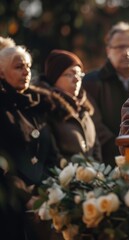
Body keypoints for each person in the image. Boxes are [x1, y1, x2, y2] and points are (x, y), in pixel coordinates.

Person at [0, 45, 60, 240]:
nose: (26, 71)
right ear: (1, 72)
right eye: (19, 67)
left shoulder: (37, 105)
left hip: (44, 202)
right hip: (11, 207)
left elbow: (51, 154)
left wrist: (46, 191)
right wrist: (26, 196)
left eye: (28, 66)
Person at [82, 22, 129, 165]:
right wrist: (122, 150)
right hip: (105, 162)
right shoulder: (91, 82)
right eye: (120, 47)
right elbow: (94, 126)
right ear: (108, 50)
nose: (126, 52)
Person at [38, 49, 102, 162]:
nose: (77, 79)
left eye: (79, 74)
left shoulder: (84, 108)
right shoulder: (48, 107)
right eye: (70, 74)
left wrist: (96, 173)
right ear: (55, 77)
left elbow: (96, 147)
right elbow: (52, 152)